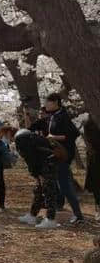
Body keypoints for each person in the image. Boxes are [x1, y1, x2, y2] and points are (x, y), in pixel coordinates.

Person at [1, 127, 62, 229]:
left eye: (3, 135)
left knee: (48, 191)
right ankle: (32, 215)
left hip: (46, 165)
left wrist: (36, 174)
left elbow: (31, 158)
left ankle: (50, 220)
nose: (4, 138)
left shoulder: (20, 138)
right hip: (46, 163)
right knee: (39, 190)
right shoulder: (26, 135)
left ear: (8, 133)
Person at [43, 93, 84, 224]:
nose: (45, 104)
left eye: (47, 102)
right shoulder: (53, 116)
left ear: (55, 102)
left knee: (65, 186)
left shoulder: (62, 116)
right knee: (58, 183)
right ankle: (58, 208)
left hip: (63, 155)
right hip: (56, 155)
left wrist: (54, 138)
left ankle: (78, 216)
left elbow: (73, 134)